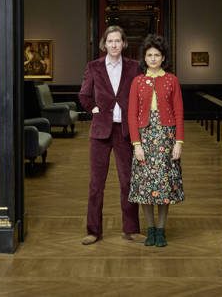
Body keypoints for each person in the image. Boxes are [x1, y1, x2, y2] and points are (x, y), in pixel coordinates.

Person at [78, 25, 143, 245]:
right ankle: (93, 231)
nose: (114, 45)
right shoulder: (94, 67)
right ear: (104, 44)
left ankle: (131, 229)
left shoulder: (135, 67)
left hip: (124, 131)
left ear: (124, 43)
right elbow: (84, 95)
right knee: (96, 183)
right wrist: (95, 110)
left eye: (118, 41)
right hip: (100, 132)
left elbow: (140, 97)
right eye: (110, 41)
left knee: (128, 181)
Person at [128, 34, 184, 247]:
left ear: (163, 58)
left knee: (164, 186)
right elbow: (132, 115)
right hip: (144, 138)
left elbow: (179, 113)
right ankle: (149, 229)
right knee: (145, 187)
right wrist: (136, 144)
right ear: (144, 57)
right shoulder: (137, 81)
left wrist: (178, 142)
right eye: (149, 55)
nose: (153, 58)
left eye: (157, 55)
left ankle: (161, 230)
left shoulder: (172, 80)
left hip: (166, 137)